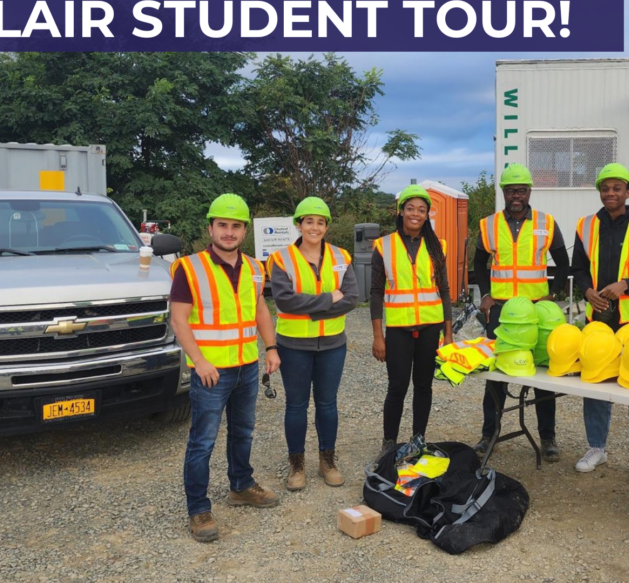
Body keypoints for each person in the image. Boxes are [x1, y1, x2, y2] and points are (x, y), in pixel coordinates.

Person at [170, 193, 281, 543]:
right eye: (223, 225)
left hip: (247, 364)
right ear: (211, 228)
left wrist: (271, 347)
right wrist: (199, 361)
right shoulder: (189, 268)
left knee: (243, 431)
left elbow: (260, 310)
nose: (229, 232)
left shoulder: (253, 267)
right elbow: (179, 319)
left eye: (235, 226)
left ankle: (241, 486)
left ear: (244, 231)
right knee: (202, 441)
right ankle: (198, 509)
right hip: (211, 370)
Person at [570, 163, 629, 484]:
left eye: (617, 188)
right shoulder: (585, 226)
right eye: (605, 188)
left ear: (628, 192)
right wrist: (587, 291)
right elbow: (579, 270)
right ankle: (597, 447)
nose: (610, 193)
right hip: (598, 318)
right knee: (595, 381)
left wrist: (625, 284)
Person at [473, 163, 570, 461]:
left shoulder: (546, 222)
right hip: (501, 312)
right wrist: (486, 295)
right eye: (511, 190)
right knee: (496, 375)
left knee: (543, 376)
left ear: (529, 192)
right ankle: (490, 434)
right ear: (504, 192)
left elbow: (564, 263)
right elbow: (478, 264)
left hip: (536, 313)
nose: (517, 195)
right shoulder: (488, 225)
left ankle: (548, 438)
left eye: (522, 190)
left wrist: (553, 297)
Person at [267, 197, 358, 492]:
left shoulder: (341, 256)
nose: (314, 227)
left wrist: (309, 306)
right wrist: (328, 298)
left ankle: (327, 460)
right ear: (299, 224)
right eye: (309, 221)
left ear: (326, 226)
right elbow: (284, 300)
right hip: (293, 344)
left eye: (320, 222)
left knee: (327, 404)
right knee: (296, 406)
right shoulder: (281, 259)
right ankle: (297, 465)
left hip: (332, 343)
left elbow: (351, 298)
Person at [371, 185, 453, 451]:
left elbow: (444, 289)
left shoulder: (437, 246)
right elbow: (375, 292)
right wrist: (377, 336)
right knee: (397, 388)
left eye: (421, 209)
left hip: (431, 327)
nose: (415, 214)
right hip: (398, 330)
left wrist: (449, 333)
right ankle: (389, 443)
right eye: (410, 208)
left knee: (424, 387)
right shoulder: (383, 246)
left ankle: (418, 440)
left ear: (427, 214)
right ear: (401, 211)